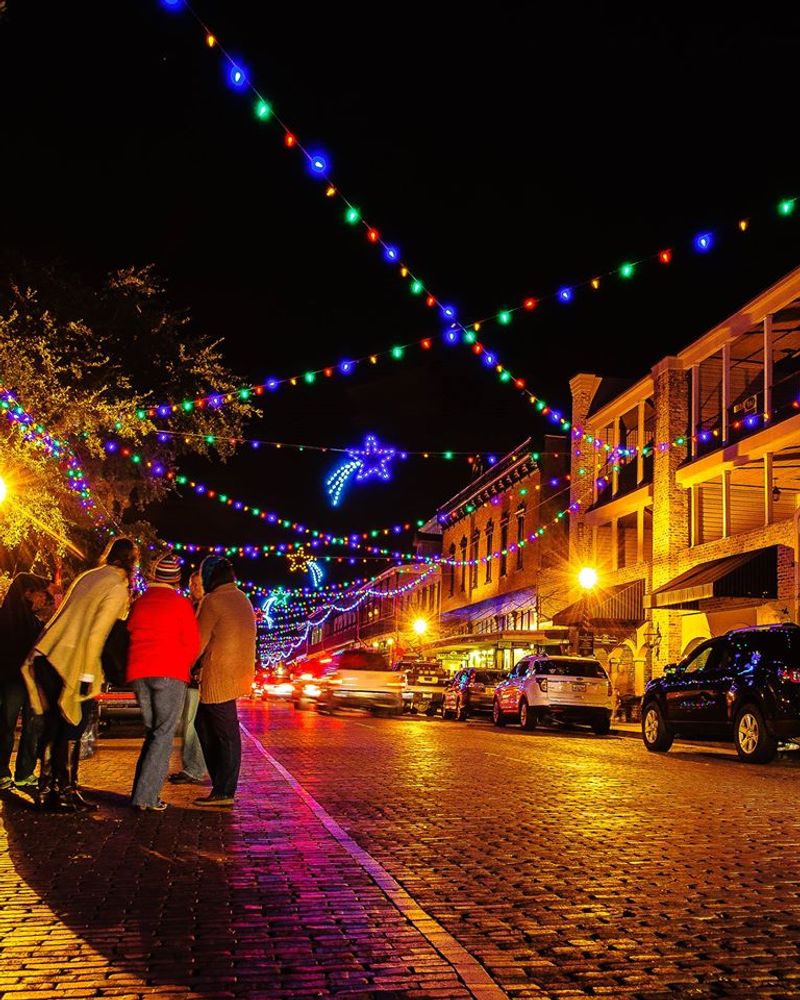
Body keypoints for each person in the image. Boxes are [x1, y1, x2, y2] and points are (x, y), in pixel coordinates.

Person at [22, 537, 138, 813]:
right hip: (72, 661)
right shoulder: (117, 587)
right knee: (72, 724)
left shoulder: (90, 576)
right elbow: (98, 634)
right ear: (133, 561)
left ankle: (48, 789)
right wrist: (86, 677)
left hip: (48, 654)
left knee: (53, 725)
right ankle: (65, 791)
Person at [127, 553, 201, 812]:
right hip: (170, 672)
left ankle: (141, 793)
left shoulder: (141, 602)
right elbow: (193, 644)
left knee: (153, 734)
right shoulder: (181, 604)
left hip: (139, 672)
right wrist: (184, 665)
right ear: (176, 580)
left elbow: (129, 631)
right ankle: (146, 797)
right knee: (163, 735)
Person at [193, 556, 255, 807]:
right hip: (238, 673)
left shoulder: (213, 601)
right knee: (214, 727)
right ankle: (222, 785)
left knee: (223, 732)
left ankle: (224, 790)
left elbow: (197, 643)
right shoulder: (242, 598)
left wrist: (185, 664)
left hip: (219, 675)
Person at [0, 573, 51, 791]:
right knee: (6, 724)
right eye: (40, 594)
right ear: (27, 594)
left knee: (32, 725)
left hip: (27, 681)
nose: (42, 600)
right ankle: (6, 772)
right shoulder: (11, 620)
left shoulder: (32, 620)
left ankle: (23, 772)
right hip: (13, 680)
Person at [169, 570, 208, 786]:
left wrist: (198, 667)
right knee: (188, 724)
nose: (193, 588)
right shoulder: (190, 608)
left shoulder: (206, 609)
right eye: (192, 584)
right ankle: (192, 766)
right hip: (185, 673)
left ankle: (195, 769)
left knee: (192, 724)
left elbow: (203, 642)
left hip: (196, 676)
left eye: (198, 584)